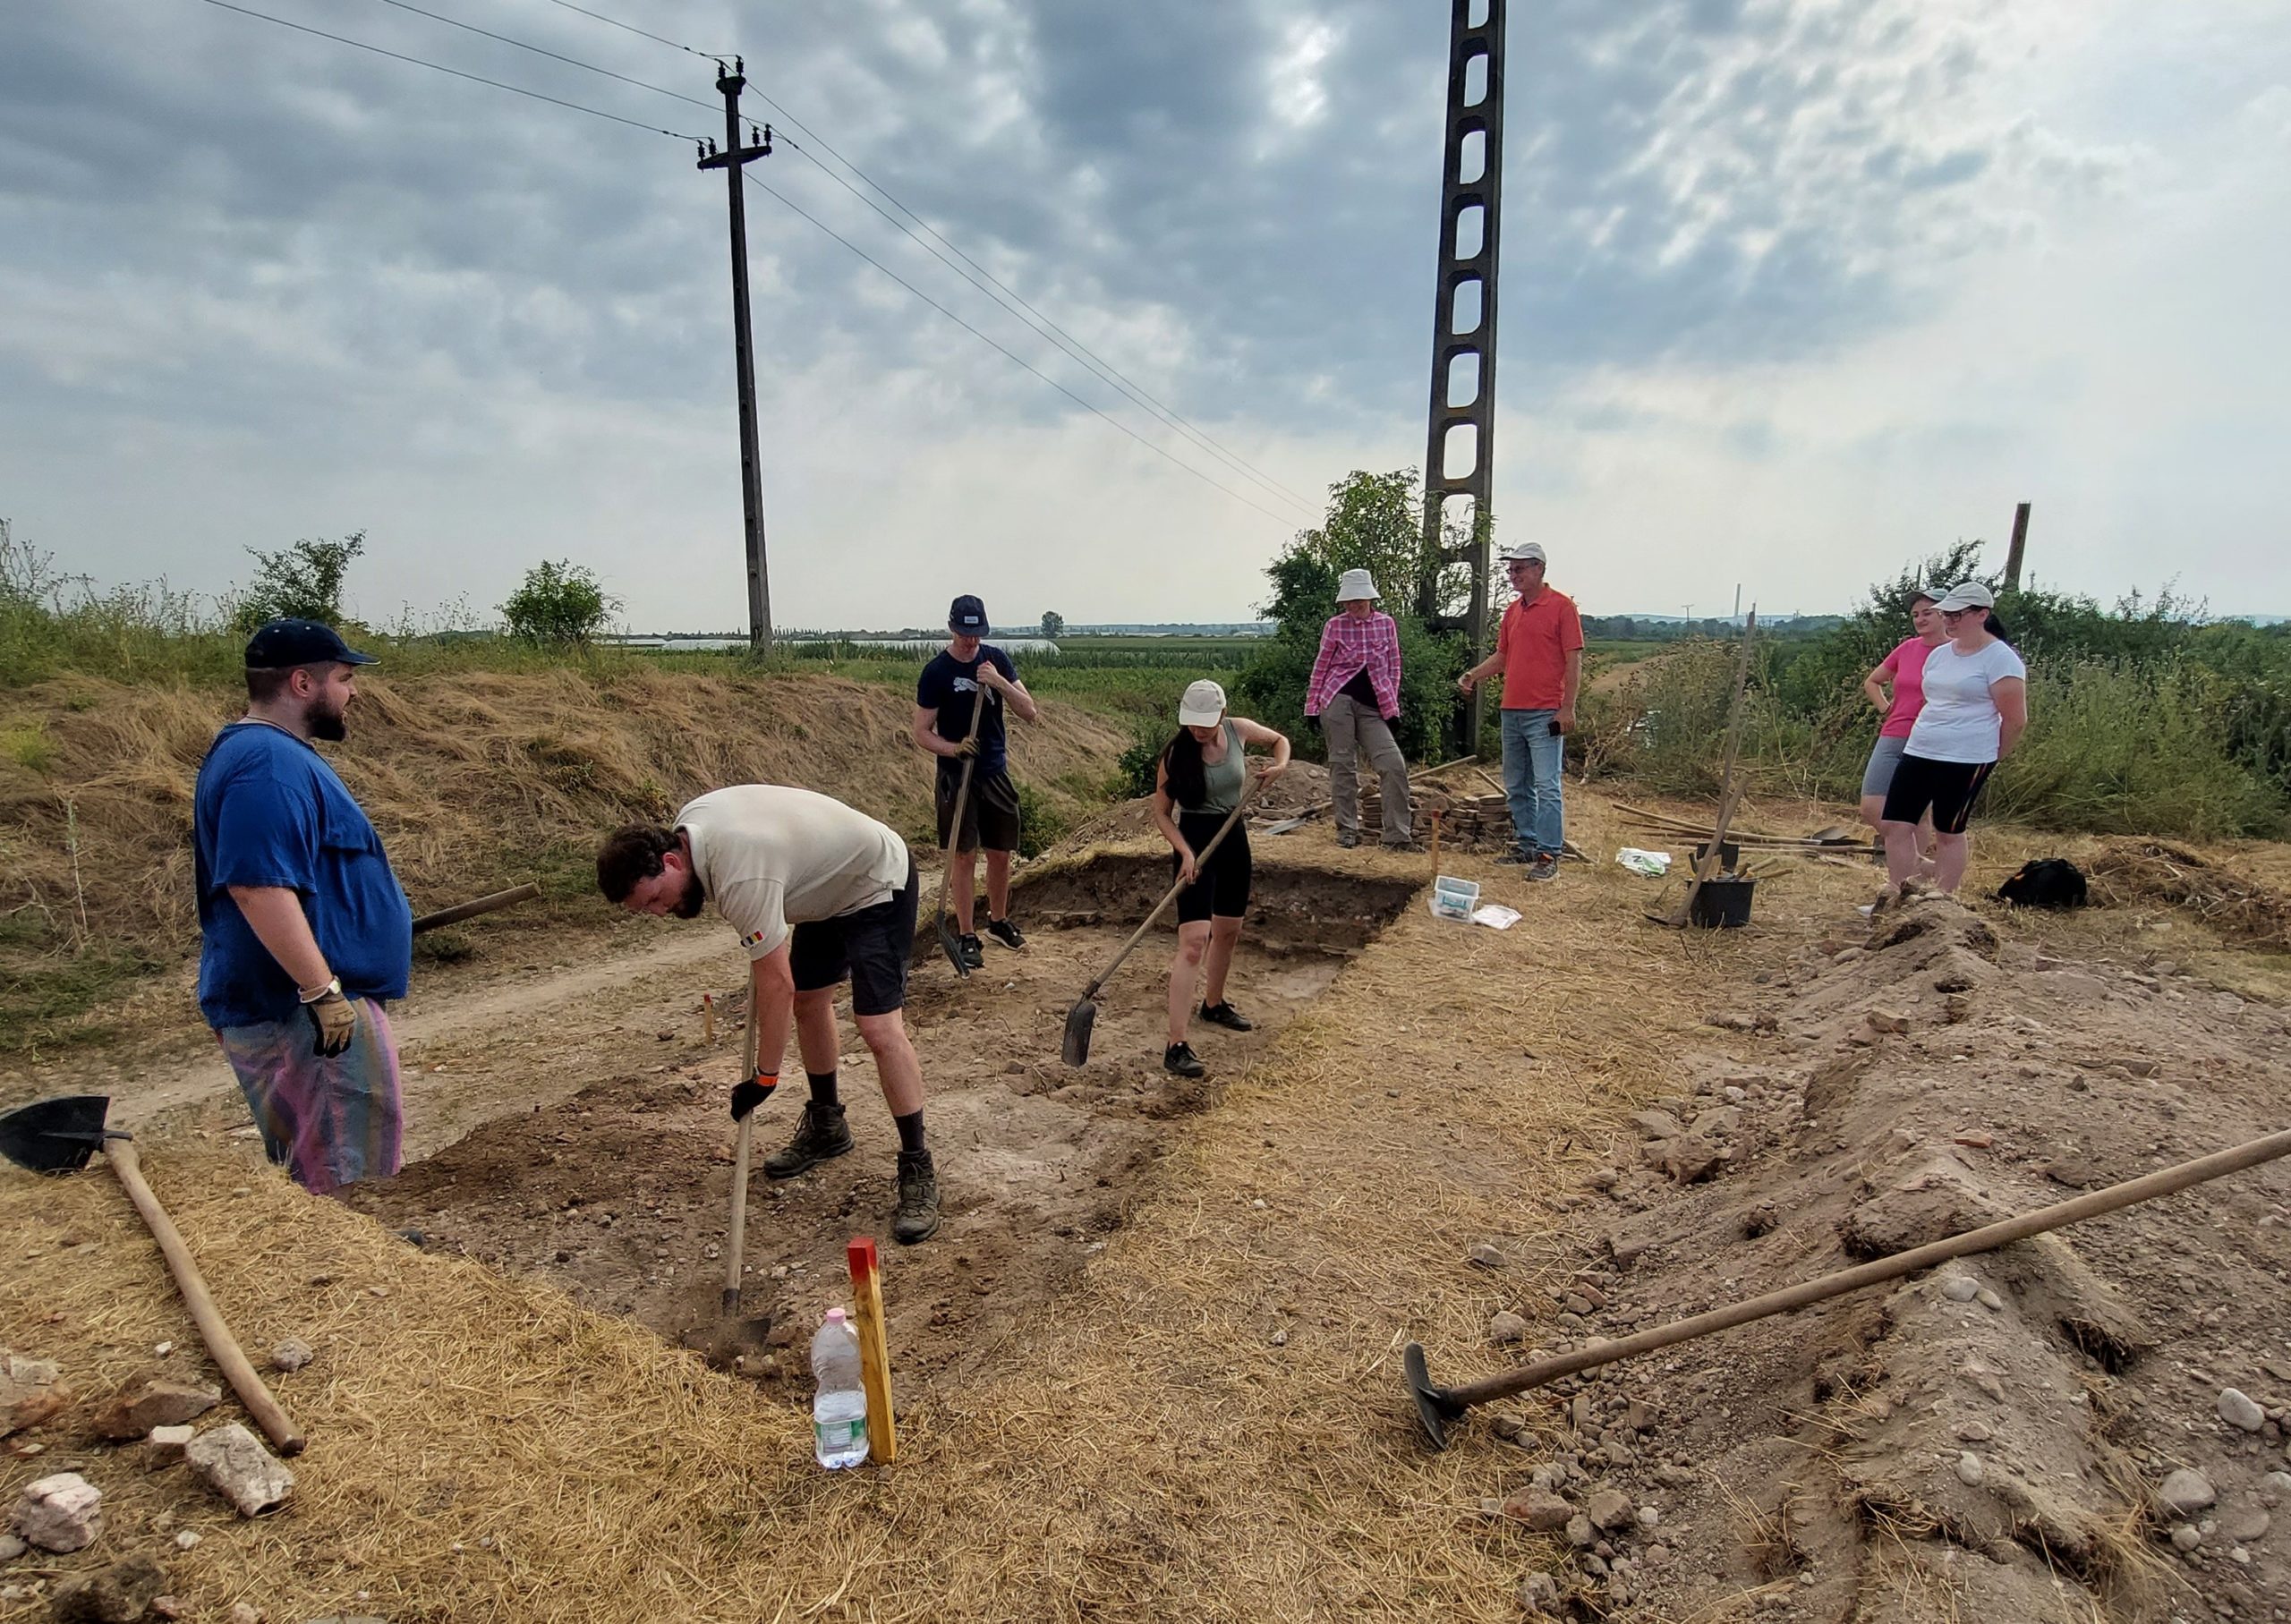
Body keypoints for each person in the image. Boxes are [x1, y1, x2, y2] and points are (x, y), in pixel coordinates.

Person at [596, 786, 941, 1243]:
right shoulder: (689, 829)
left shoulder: (740, 878)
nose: (661, 912)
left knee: (878, 1028)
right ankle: (827, 1126)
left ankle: (918, 1165)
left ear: (672, 862)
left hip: (875, 882)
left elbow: (776, 984)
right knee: (810, 1003)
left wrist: (765, 1078)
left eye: (656, 899)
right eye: (647, 910)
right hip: (821, 885)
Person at [193, 618, 413, 1196]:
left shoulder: (271, 755)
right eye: (344, 677)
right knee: (344, 1179)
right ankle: (356, 1282)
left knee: (326, 1171)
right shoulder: (265, 763)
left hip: (305, 1011)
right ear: (301, 683)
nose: (354, 691)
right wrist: (322, 993)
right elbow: (256, 886)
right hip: (306, 1018)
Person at [1150, 681, 1290, 1078]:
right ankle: (1176, 1044)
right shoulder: (1176, 754)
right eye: (1193, 724)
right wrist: (1186, 852)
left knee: (1228, 930)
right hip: (1193, 843)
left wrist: (1280, 766)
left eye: (1206, 724)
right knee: (1194, 943)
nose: (1199, 731)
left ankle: (1213, 1006)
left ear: (1222, 715)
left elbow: (1280, 741)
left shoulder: (1238, 731)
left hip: (1233, 837)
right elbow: (1161, 813)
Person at [911, 593, 1038, 970]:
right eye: (965, 634)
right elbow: (921, 732)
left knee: (1000, 853)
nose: (970, 641)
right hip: (957, 776)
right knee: (964, 856)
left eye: (976, 634)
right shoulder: (936, 672)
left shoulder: (996, 660)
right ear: (952, 628)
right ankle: (967, 934)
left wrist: (999, 682)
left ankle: (997, 922)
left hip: (994, 771)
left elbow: (1030, 711)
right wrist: (953, 749)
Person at [1878, 582, 2027, 897]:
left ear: (1982, 614)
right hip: (1921, 747)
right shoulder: (1940, 655)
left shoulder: (2001, 659)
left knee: (1948, 829)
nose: (1949, 621)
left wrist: (1992, 755)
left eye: (1957, 615)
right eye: (1947, 614)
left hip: (1966, 756)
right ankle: (1898, 893)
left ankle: (1942, 897)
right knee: (1896, 825)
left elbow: (2015, 719)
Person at [1455, 540, 1583, 880]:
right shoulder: (1513, 611)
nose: (1513, 575)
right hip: (1511, 709)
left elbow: (1573, 661)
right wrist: (1473, 675)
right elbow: (1503, 657)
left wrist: (1567, 708)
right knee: (1516, 784)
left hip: (1544, 711)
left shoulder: (1562, 607)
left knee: (1547, 785)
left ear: (1539, 569)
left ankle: (1548, 854)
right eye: (1510, 570)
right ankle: (1527, 843)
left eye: (1520, 569)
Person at [1303, 569, 1417, 852]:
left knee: (1393, 765)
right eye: (1349, 602)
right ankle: (1347, 831)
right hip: (1337, 699)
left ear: (1370, 598)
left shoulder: (1386, 624)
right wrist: (1312, 706)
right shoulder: (1335, 626)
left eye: (1359, 601)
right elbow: (1321, 666)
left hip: (1373, 704)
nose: (1353, 606)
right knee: (1343, 764)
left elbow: (1394, 666)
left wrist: (1392, 709)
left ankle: (1397, 836)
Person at [1858, 591, 1946, 852]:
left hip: (1930, 738)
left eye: (1927, 613)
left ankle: (1910, 874)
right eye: (1915, 615)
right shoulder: (1907, 648)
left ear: (1945, 614)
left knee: (1918, 812)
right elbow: (1872, 681)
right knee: (1872, 806)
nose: (1920, 619)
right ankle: (1917, 862)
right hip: (1894, 733)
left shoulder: (1954, 651)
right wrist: (1885, 707)